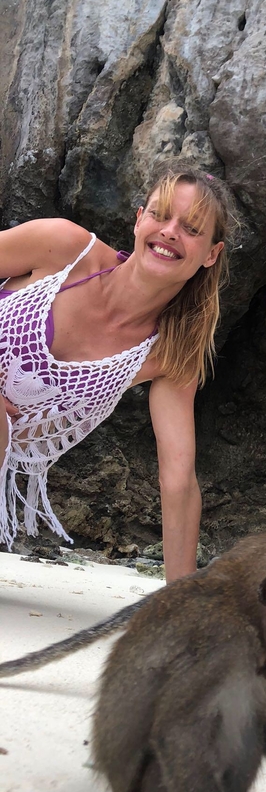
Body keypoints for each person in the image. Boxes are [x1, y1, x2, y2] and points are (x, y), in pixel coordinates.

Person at [0, 159, 237, 581]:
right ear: (139, 219)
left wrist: (178, 604)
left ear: (211, 254)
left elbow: (178, 480)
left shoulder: (168, 355)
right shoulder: (64, 248)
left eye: (192, 228)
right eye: (161, 215)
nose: (170, 231)